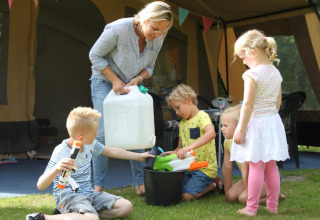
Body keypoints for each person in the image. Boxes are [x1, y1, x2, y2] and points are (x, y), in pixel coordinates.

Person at [89, 1, 173, 196]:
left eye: (162, 31)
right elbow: (95, 55)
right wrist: (114, 80)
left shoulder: (158, 37)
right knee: (101, 133)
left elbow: (150, 67)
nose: (157, 34)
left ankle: (139, 183)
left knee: (136, 130)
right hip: (104, 81)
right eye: (154, 29)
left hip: (129, 85)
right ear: (144, 19)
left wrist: (138, 78)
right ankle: (98, 187)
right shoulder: (118, 29)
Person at [26, 107, 154, 220]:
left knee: (126, 207)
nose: (97, 135)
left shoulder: (90, 144)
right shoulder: (61, 151)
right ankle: (42, 218)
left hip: (90, 194)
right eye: (94, 133)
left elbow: (111, 151)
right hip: (70, 198)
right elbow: (40, 185)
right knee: (91, 219)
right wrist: (57, 168)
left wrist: (139, 156)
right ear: (81, 137)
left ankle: (79, 215)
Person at [230, 30, 289, 216]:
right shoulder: (275, 72)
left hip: (257, 123)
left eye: (243, 57)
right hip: (272, 121)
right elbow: (278, 103)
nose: (243, 61)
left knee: (255, 165)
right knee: (271, 165)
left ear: (252, 52)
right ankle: (272, 206)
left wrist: (240, 130)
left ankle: (251, 207)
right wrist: (269, 115)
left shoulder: (252, 75)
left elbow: (247, 106)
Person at [164, 84, 222, 201]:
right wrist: (172, 153)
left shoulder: (202, 116)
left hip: (205, 169)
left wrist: (188, 148)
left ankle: (214, 184)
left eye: (178, 107)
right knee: (175, 190)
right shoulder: (182, 123)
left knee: (186, 196)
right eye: (174, 109)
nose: (176, 112)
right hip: (188, 168)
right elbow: (179, 148)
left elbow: (211, 133)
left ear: (188, 100)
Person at [222, 105, 285, 204]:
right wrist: (228, 192)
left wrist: (248, 194)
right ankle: (266, 194)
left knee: (243, 199)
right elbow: (226, 167)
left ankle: (275, 195)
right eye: (222, 125)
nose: (222, 129)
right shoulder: (227, 142)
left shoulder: (248, 141)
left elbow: (246, 169)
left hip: (265, 178)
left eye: (226, 126)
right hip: (249, 177)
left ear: (239, 126)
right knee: (230, 196)